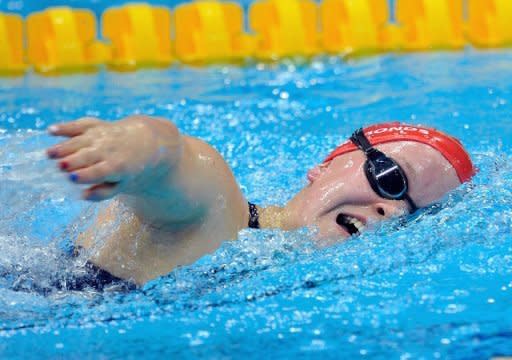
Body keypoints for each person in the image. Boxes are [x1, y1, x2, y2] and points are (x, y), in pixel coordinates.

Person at [46, 116, 475, 288]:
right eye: (391, 179)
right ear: (324, 167)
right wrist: (134, 147)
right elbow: (176, 156)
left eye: (418, 217)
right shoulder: (218, 213)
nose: (394, 210)